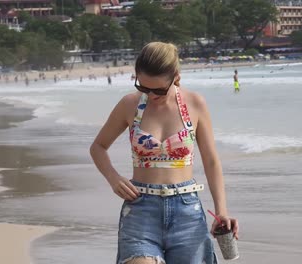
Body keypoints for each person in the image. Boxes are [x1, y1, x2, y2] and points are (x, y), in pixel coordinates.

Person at [90, 42, 239, 264]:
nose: (151, 95)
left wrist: (222, 211)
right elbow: (98, 147)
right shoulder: (129, 104)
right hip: (141, 210)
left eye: (158, 90)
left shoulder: (195, 104)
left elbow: (211, 161)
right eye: (143, 87)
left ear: (176, 78)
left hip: (187, 212)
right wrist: (114, 178)